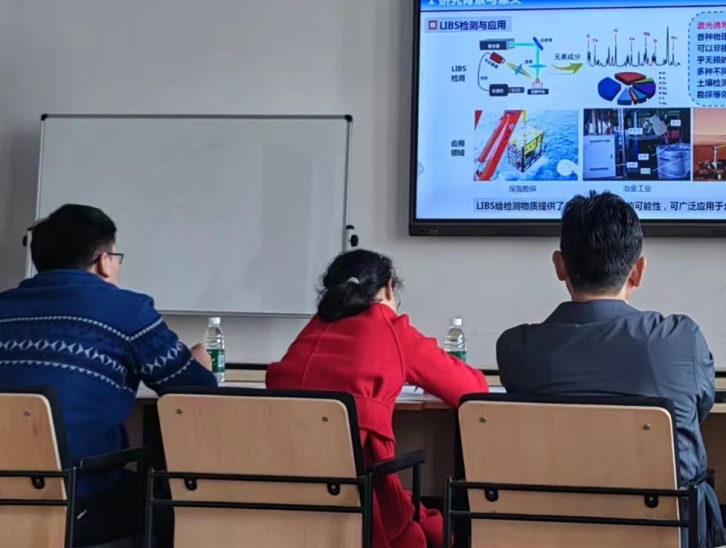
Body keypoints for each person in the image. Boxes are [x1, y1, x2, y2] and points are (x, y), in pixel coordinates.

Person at [497, 191, 725, 548]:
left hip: (550, 532)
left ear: (560, 266)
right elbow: (699, 409)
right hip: (663, 533)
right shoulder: (680, 340)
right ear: (638, 270)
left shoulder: (516, 348)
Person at [0, 203, 217, 546]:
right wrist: (200, 361)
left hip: (8, 499)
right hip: (77, 503)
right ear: (104, 261)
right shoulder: (127, 311)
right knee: (175, 503)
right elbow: (194, 392)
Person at [267, 250, 488, 548]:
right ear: (388, 289)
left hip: (284, 493)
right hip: (363, 495)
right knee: (437, 525)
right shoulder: (389, 327)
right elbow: (472, 389)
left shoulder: (313, 329)